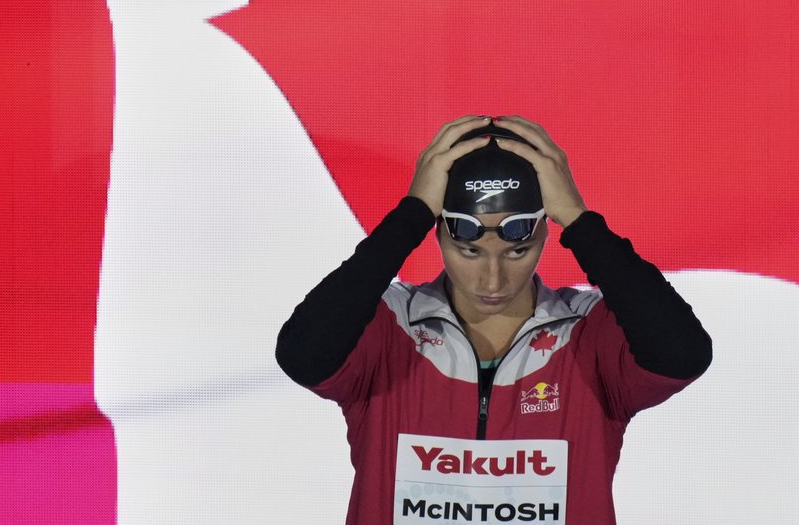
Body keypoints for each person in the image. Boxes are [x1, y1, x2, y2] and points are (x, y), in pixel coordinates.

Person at [276, 114, 712, 524]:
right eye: (470, 251)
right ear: (438, 232)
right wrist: (409, 216)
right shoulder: (389, 325)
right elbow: (303, 356)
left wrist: (581, 221)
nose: (493, 278)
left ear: (545, 230)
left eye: (517, 251)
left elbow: (682, 355)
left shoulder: (589, 333)